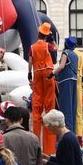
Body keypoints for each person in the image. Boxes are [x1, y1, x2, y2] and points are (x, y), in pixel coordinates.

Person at [29, 22, 57, 155]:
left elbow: (30, 61)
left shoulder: (32, 47)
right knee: (49, 107)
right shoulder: (49, 46)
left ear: (38, 34)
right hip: (48, 73)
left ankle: (35, 145)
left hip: (37, 73)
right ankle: (49, 148)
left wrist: (29, 74)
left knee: (36, 106)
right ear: (47, 35)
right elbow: (55, 57)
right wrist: (53, 41)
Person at [53, 36, 81, 131]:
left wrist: (52, 73)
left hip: (65, 81)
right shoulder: (76, 55)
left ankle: (66, 130)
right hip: (74, 80)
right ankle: (72, 130)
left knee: (65, 106)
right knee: (73, 107)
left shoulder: (65, 53)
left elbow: (61, 66)